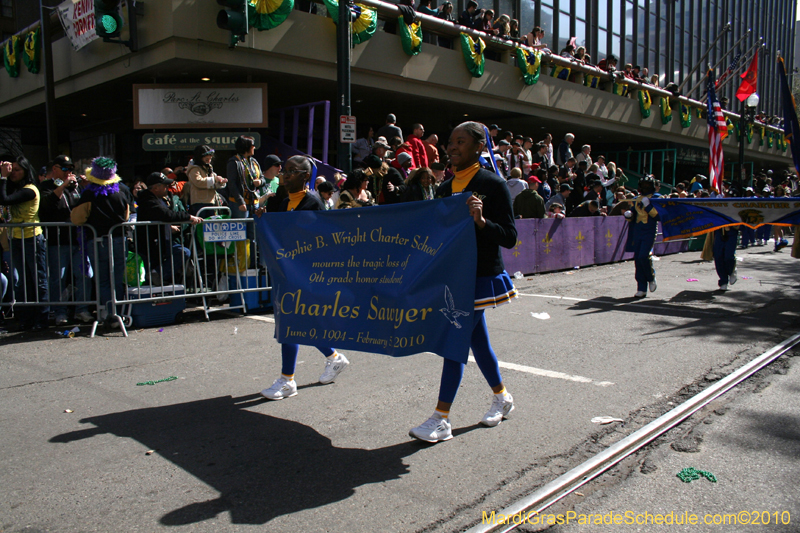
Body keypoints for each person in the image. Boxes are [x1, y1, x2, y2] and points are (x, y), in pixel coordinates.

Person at [409, 121, 518, 443]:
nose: (452, 147)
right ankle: (502, 397)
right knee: (477, 342)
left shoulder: (493, 185)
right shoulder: (443, 189)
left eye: (460, 141)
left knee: (454, 339)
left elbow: (510, 237)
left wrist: (483, 222)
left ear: (479, 147)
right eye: (450, 141)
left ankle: (441, 417)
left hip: (478, 277)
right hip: (450, 278)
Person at [258, 155, 349, 400]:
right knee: (300, 322)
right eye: (284, 171)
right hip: (286, 271)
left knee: (291, 322)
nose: (285, 175)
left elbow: (320, 240)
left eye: (291, 171)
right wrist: (262, 218)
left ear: (305, 176)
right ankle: (334, 358)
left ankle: (288, 381)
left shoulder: (313, 203)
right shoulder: (280, 201)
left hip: (307, 273)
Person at [70, 157, 131, 325]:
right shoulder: (123, 190)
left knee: (103, 279)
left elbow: (77, 218)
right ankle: (117, 313)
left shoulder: (89, 193)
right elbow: (126, 215)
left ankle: (109, 314)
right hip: (119, 239)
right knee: (116, 279)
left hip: (99, 241)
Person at [38, 155, 94, 325]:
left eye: (71, 169)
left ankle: (81, 309)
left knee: (85, 274)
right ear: (55, 169)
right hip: (58, 241)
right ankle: (59, 312)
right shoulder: (46, 186)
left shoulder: (75, 188)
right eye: (65, 169)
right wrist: (62, 185)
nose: (69, 173)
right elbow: (48, 204)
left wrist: (86, 187)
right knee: (58, 278)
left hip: (78, 240)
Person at [0, 156, 49, 330]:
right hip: (16, 239)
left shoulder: (30, 190)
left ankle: (42, 319)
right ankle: (26, 319)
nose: (13, 173)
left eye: (17, 170)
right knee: (23, 281)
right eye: (11, 169)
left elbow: (4, 199)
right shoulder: (15, 188)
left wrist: (3, 178)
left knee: (38, 280)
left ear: (26, 171)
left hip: (31, 238)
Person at [135, 172, 203, 285]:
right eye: (164, 185)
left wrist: (168, 226)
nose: (167, 188)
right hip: (151, 243)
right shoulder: (148, 200)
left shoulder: (160, 198)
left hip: (162, 240)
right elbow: (166, 214)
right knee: (150, 278)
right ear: (156, 187)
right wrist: (189, 217)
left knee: (183, 252)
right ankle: (156, 276)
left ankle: (158, 274)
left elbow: (162, 216)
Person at [624, 176, 659, 298]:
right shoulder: (636, 199)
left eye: (647, 185)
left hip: (649, 230)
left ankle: (651, 277)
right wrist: (629, 214)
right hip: (637, 231)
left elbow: (658, 216)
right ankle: (641, 287)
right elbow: (633, 213)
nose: (645, 187)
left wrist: (648, 206)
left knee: (644, 255)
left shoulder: (656, 198)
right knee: (638, 259)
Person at [226, 135, 264, 218]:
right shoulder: (234, 162)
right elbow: (232, 184)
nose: (254, 147)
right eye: (252, 145)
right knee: (241, 229)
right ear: (246, 147)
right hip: (239, 203)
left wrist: (260, 182)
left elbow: (262, 178)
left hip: (254, 202)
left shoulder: (254, 162)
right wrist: (240, 201)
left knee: (253, 229)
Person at [185, 145, 227, 216]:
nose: (209, 161)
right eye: (206, 159)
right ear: (200, 158)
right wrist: (215, 179)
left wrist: (220, 181)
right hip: (199, 202)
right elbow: (198, 182)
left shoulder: (208, 167)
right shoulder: (194, 169)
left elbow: (213, 179)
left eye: (210, 159)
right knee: (201, 224)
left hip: (211, 201)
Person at [712, 227, 739, 291]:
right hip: (719, 230)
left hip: (732, 231)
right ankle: (723, 281)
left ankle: (732, 271)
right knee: (718, 257)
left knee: (729, 256)